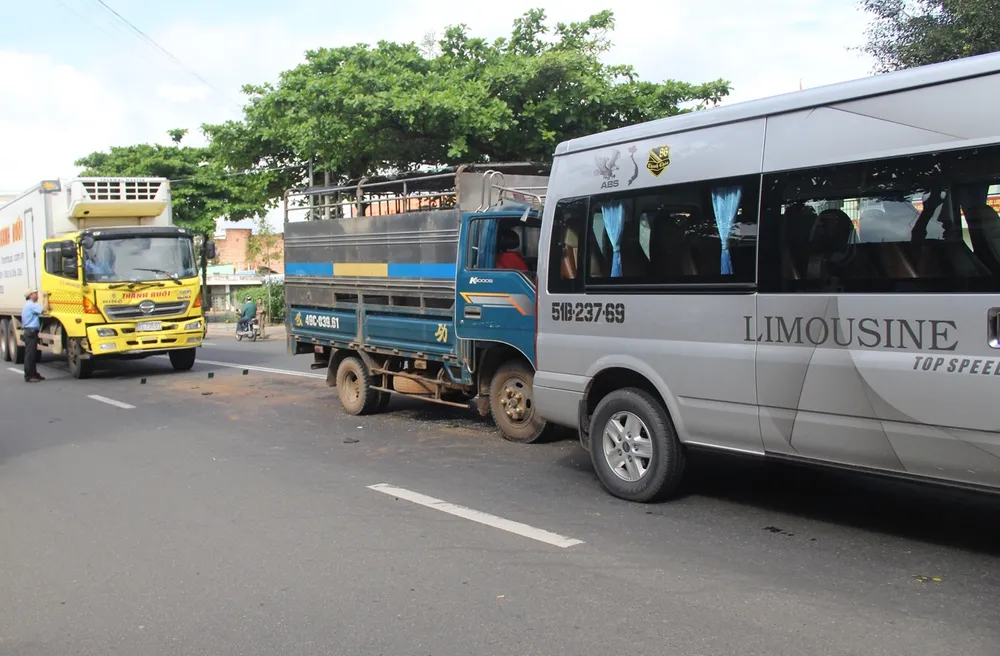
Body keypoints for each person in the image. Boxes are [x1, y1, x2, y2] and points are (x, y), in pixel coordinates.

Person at [21, 289, 46, 383]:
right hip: (31, 331)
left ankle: (34, 373)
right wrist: (46, 298)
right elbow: (44, 310)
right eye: (35, 294)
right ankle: (29, 375)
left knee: (32, 354)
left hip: (30, 331)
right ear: (30, 295)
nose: (37, 295)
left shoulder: (28, 304)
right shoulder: (31, 305)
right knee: (30, 354)